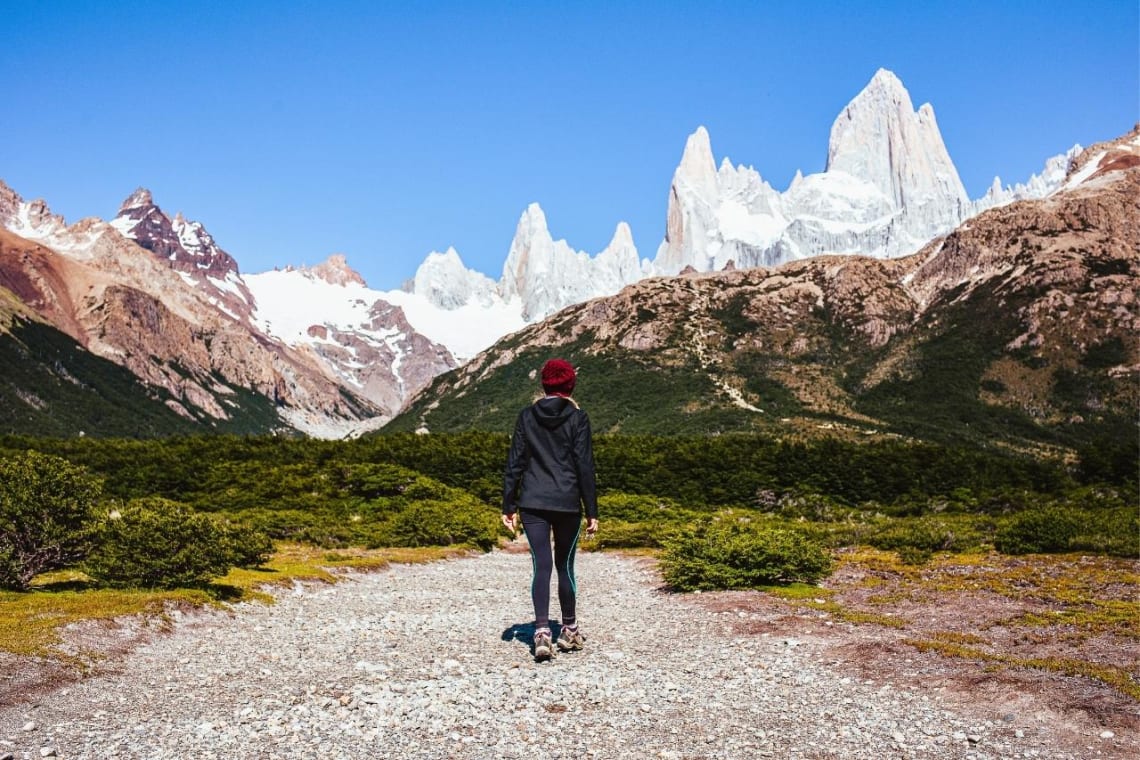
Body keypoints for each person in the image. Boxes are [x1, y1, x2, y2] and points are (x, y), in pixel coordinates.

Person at [502, 358, 599, 661]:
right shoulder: (578, 418)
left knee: (540, 566)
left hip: (532, 502)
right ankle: (568, 630)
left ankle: (541, 632)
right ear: (571, 385)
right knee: (565, 566)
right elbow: (585, 466)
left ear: (543, 384)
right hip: (568, 503)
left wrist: (508, 504)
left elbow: (515, 462)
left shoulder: (526, 416)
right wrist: (592, 509)